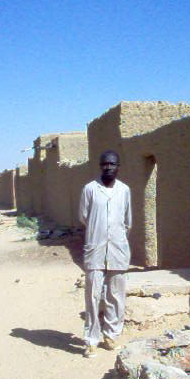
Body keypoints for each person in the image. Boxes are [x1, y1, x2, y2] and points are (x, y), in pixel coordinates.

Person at [79, 150, 132, 357]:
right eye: (105, 164)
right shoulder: (90, 189)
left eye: (112, 164)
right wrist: (98, 230)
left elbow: (127, 221)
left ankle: (111, 335)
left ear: (118, 166)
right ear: (100, 166)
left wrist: (116, 236)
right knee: (93, 295)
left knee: (116, 295)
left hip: (118, 249)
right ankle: (91, 340)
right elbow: (84, 216)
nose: (108, 167)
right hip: (95, 249)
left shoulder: (124, 190)